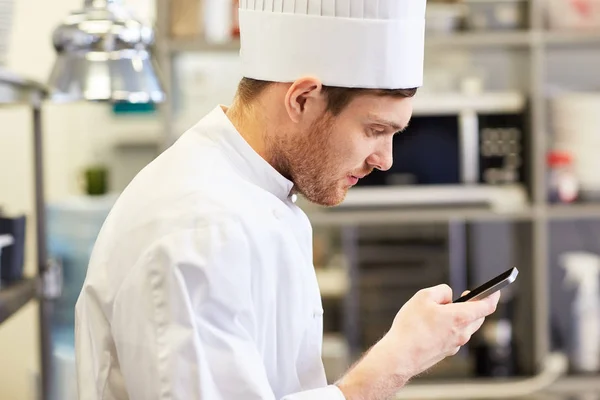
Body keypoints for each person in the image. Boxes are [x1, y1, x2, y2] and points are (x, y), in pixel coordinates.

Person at [75, 1, 501, 399]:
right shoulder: (198, 231)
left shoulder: (255, 193)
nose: (385, 160)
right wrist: (396, 361)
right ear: (302, 99)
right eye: (375, 130)